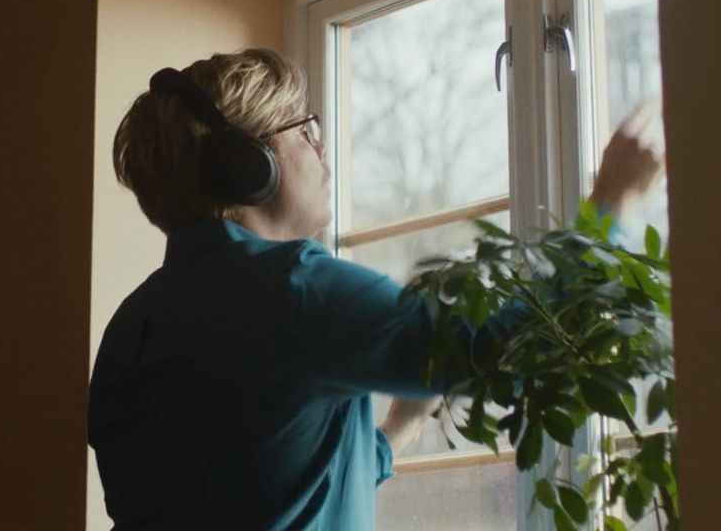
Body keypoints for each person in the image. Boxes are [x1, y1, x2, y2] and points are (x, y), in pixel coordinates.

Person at [88, 48, 664, 530]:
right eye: (303, 129)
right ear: (248, 164)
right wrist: (610, 205)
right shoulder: (296, 288)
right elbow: (510, 353)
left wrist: (396, 431)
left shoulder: (130, 329)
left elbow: (264, 485)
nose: (320, 147)